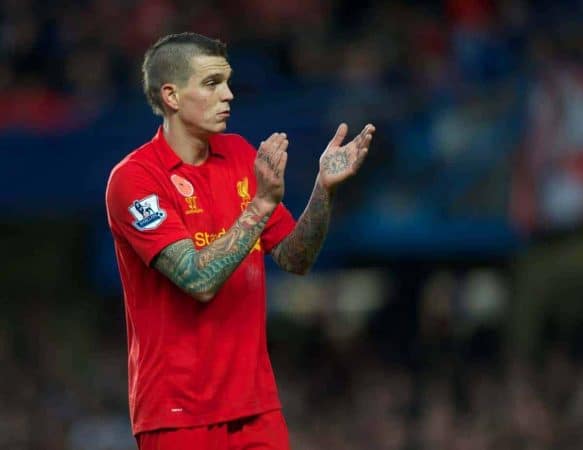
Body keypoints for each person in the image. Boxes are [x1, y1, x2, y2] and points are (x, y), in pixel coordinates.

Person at [105, 32, 375, 450]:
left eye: (227, 82)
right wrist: (261, 206)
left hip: (256, 407)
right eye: (212, 83)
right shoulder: (136, 179)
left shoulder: (238, 155)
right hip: (178, 414)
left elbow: (294, 257)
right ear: (172, 96)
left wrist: (323, 189)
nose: (228, 94)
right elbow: (196, 279)